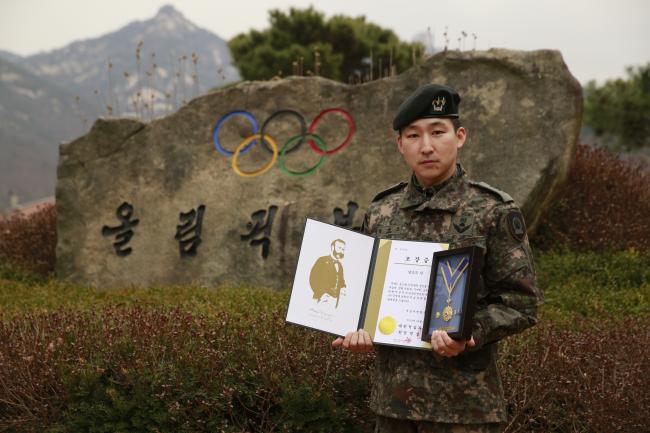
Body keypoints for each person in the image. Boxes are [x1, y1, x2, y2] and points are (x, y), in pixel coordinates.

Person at [332, 84, 543, 432]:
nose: (426, 146)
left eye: (438, 132)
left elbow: (522, 303)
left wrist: (470, 333)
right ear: (400, 145)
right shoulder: (382, 211)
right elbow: (363, 296)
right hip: (394, 404)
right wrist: (356, 328)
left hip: (465, 408)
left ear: (459, 136)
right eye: (413, 135)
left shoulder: (492, 210)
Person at [309, 238, 347, 306]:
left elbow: (341, 281)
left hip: (334, 301)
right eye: (339, 248)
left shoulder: (340, 266)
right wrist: (321, 294)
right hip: (320, 299)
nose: (341, 251)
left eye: (343, 249)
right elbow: (313, 279)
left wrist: (343, 287)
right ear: (333, 247)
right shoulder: (322, 260)